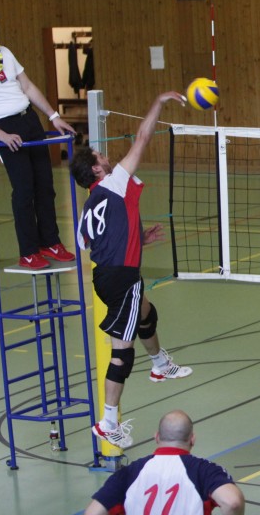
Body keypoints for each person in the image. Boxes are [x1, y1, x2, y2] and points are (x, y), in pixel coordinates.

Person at [69, 91, 193, 449]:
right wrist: (159, 101)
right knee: (122, 353)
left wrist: (138, 237)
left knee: (147, 315)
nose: (107, 157)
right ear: (96, 169)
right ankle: (108, 422)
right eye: (101, 156)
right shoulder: (114, 181)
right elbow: (142, 137)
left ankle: (160, 363)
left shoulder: (90, 203)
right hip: (120, 279)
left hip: (111, 276)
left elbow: (89, 242)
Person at [0, 10, 76, 270]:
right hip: (5, 128)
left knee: (45, 185)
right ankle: (29, 251)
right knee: (24, 190)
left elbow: (28, 86)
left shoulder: (5, 53)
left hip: (29, 119)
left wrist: (53, 116)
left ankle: (50, 242)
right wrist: (2, 136)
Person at [82, 410, 245, 515]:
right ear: (192, 439)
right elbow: (233, 503)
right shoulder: (204, 470)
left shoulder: (129, 473)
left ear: (157, 437)